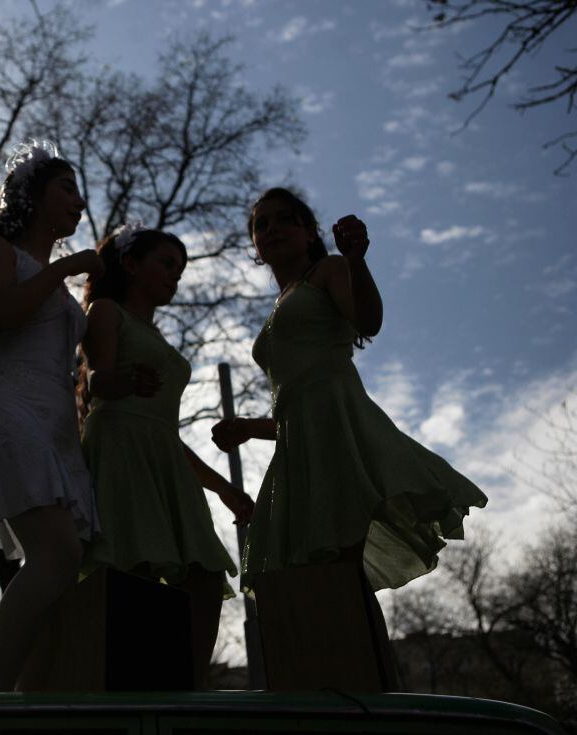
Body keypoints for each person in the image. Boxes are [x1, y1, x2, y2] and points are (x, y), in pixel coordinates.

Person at [211, 187, 487, 688]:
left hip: (339, 432)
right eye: (261, 225)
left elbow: (368, 321)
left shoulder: (330, 270)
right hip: (299, 446)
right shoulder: (283, 300)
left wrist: (356, 261)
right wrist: (250, 428)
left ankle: (366, 693)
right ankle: (328, 686)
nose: (271, 230)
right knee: (299, 575)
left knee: (335, 571)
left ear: (308, 231)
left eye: (283, 221)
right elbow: (295, 404)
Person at [0, 140, 104, 691]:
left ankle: (30, 699)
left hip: (58, 423)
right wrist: (65, 267)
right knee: (55, 555)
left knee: (64, 572)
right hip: (12, 406)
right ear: (34, 194)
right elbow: (1, 315)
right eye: (66, 187)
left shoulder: (55, 283)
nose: (78, 201)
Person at [79, 223, 254, 689]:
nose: (174, 276)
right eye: (166, 264)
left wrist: (224, 489)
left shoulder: (158, 337)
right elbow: (95, 380)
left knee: (204, 573)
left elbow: (165, 432)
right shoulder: (106, 311)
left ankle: (186, 692)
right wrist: (124, 381)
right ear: (132, 264)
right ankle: (121, 692)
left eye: (179, 269)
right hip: (118, 449)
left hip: (163, 458)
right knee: (127, 570)